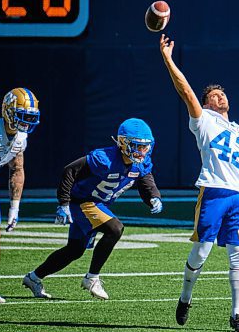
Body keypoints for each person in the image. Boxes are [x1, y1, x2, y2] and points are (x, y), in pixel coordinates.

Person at [159, 34, 239, 332]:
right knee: (202, 250)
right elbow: (186, 92)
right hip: (214, 191)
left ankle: (237, 314)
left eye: (222, 94)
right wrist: (168, 59)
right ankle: (185, 297)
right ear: (205, 104)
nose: (220, 97)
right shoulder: (203, 119)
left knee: (238, 253)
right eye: (213, 95)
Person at [23, 118, 163, 300]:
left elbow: (146, 181)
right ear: (123, 143)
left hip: (98, 204)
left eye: (145, 147)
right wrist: (63, 203)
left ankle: (34, 278)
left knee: (74, 250)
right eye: (137, 146)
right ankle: (92, 278)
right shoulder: (104, 158)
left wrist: (154, 197)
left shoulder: (141, 163)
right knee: (115, 229)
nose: (142, 151)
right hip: (83, 202)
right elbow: (70, 171)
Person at [0, 88, 41, 303]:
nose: (26, 122)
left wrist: (15, 207)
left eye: (30, 117)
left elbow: (17, 169)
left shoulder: (21, 138)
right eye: (23, 116)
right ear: (8, 111)